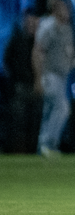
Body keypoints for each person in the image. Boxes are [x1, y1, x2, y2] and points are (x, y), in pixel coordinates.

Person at [32, 0, 75, 157]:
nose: (68, 11)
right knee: (62, 108)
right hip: (50, 75)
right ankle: (48, 143)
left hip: (62, 76)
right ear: (56, 8)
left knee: (50, 111)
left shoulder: (66, 27)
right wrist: (38, 78)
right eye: (65, 7)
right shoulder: (48, 26)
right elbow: (38, 51)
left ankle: (42, 147)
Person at [3, 8, 43, 153]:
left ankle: (32, 150)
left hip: (36, 86)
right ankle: (17, 150)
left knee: (34, 121)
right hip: (21, 86)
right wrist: (16, 77)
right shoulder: (18, 39)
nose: (31, 24)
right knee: (18, 121)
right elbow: (8, 60)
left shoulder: (40, 41)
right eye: (29, 21)